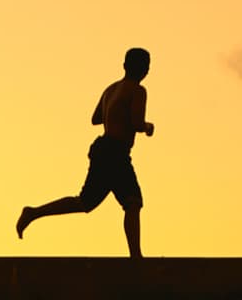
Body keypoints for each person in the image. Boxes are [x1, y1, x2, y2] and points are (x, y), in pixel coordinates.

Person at [15, 47, 155, 258]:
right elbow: (136, 123)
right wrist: (147, 126)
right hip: (115, 152)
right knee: (133, 202)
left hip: (102, 149)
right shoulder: (137, 90)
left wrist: (115, 115)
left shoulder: (110, 89)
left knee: (85, 202)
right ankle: (135, 256)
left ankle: (34, 212)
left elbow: (96, 118)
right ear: (143, 69)